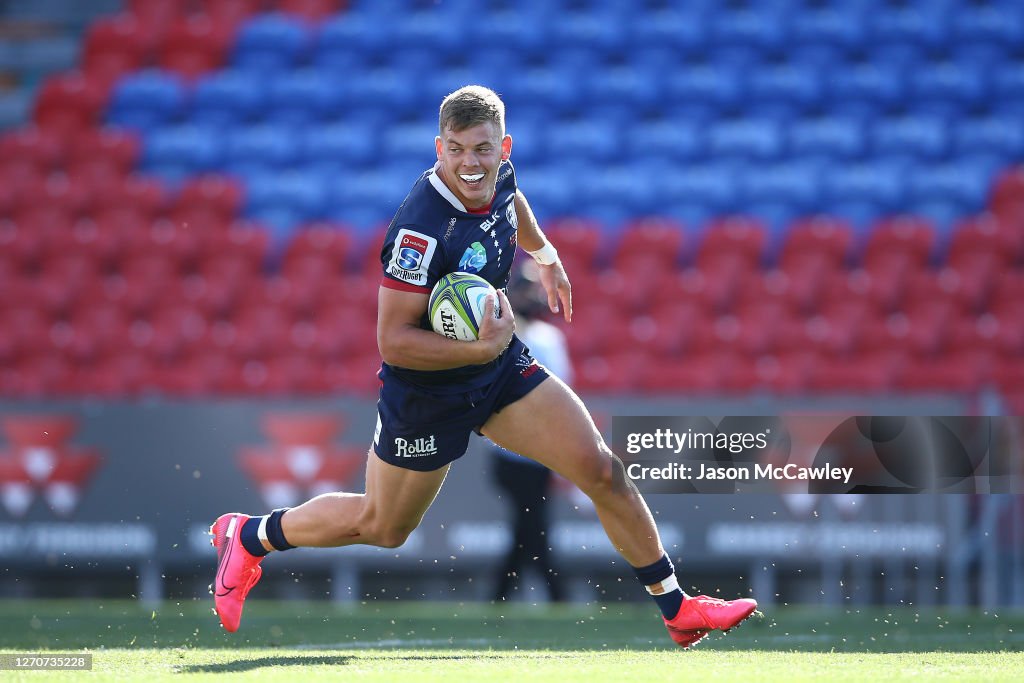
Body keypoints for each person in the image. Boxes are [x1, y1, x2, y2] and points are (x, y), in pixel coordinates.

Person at [210, 85, 757, 648]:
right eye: (456, 150)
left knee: (602, 470)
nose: (470, 164)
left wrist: (545, 257)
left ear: (505, 148)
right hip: (427, 390)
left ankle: (677, 608)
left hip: (496, 367)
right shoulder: (418, 229)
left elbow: (511, 205)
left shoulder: (500, 177)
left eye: (482, 149)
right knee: (384, 527)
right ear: (438, 147)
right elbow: (392, 340)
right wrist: (477, 350)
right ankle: (250, 536)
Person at [490, 262, 569, 603]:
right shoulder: (501, 334)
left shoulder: (546, 337)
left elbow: (561, 390)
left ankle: (500, 597)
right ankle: (556, 596)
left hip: (537, 449)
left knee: (528, 528)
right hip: (510, 448)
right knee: (532, 525)